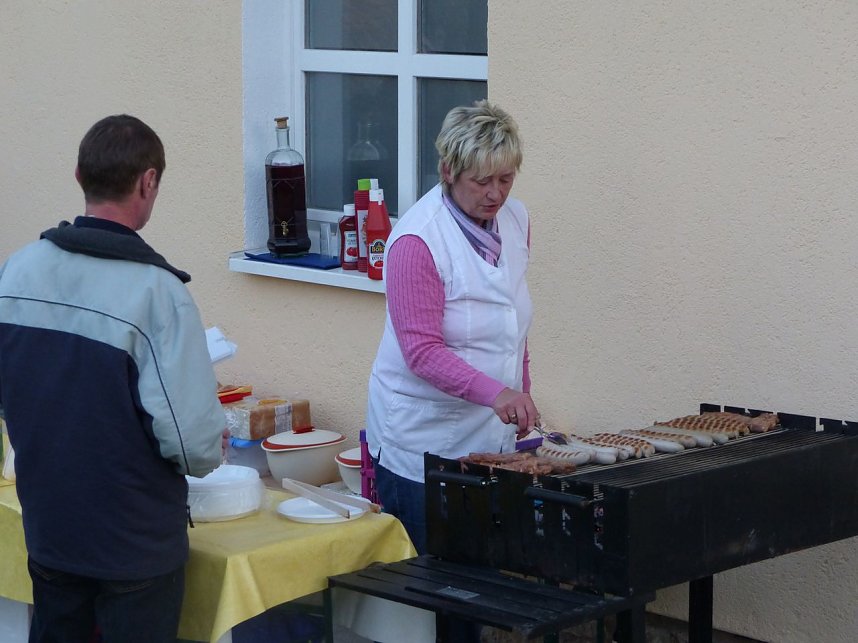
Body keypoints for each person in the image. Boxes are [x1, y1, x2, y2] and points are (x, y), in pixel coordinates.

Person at [0, 114, 226, 643]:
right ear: (148, 182)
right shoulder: (158, 293)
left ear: (79, 175)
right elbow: (193, 446)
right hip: (133, 546)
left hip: (51, 529)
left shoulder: (17, 271)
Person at [366, 100, 537, 554]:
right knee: (437, 586)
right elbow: (421, 352)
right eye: (481, 180)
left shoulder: (516, 221)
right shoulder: (417, 241)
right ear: (448, 171)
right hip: (422, 443)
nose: (495, 193)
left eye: (505, 178)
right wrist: (499, 394)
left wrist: (521, 389)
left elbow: (511, 316)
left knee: (479, 579)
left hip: (488, 436)